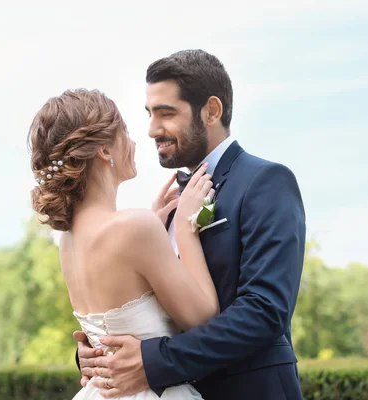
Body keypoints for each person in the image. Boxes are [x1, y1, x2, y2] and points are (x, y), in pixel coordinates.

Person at [76, 49, 307, 400]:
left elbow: (264, 311)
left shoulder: (265, 182)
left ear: (211, 111)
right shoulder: (161, 212)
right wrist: (98, 356)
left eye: (166, 114)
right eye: (150, 114)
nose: (153, 129)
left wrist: (155, 364)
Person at [27, 88, 219, 399]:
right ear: (104, 151)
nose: (132, 143)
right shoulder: (135, 228)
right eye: (125, 132)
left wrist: (153, 225)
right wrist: (186, 227)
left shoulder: (67, 240)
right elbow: (202, 318)